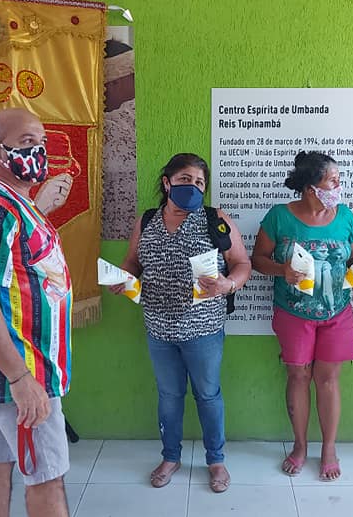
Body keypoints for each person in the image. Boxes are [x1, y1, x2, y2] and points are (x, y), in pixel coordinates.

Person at [0, 108, 73, 517]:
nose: (37, 151)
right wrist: (21, 379)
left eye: (41, 143)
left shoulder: (15, 203)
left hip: (19, 369)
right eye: (26, 143)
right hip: (20, 370)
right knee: (46, 476)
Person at [110, 153, 251, 493]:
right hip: (158, 328)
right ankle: (170, 456)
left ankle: (215, 460)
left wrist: (228, 284)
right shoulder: (147, 221)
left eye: (199, 182)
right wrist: (122, 277)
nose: (193, 187)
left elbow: (242, 263)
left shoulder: (215, 219)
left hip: (203, 329)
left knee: (208, 395)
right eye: (185, 179)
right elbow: (132, 261)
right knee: (169, 396)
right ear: (167, 182)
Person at [251, 151, 353, 482]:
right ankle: (300, 446)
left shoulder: (345, 216)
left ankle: (329, 448)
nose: (339, 187)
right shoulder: (279, 217)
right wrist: (282, 270)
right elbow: (257, 260)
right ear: (311, 188)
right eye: (333, 181)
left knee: (328, 379)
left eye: (339, 180)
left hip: (337, 312)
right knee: (298, 376)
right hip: (293, 313)